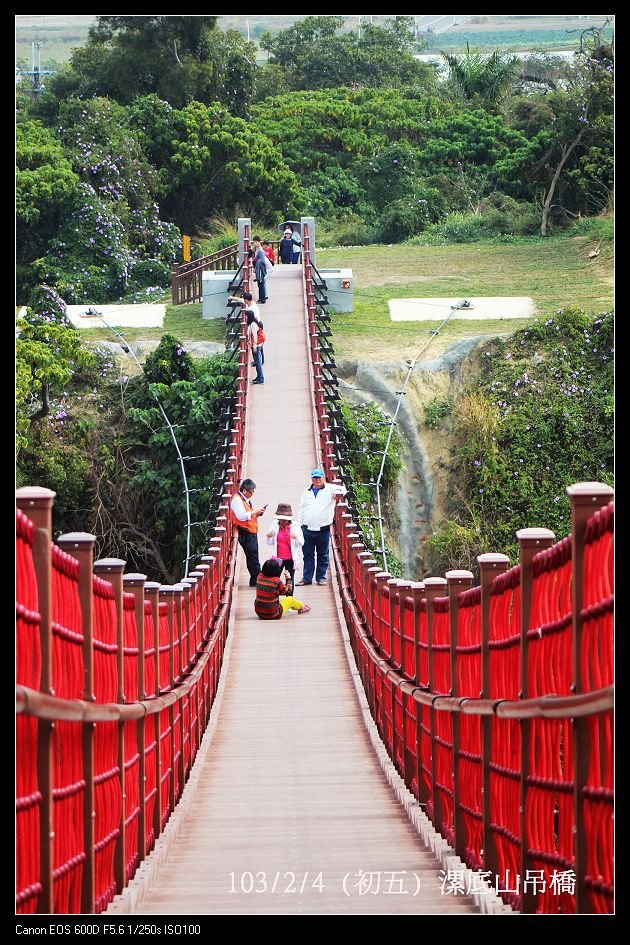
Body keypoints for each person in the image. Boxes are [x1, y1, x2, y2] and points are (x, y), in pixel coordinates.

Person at [297, 468, 347, 586]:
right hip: (307, 528)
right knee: (307, 555)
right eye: (315, 478)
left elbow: (343, 489)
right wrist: (299, 525)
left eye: (319, 477)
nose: (317, 480)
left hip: (323, 529)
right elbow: (301, 509)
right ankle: (307, 578)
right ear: (312, 479)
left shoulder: (330, 488)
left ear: (323, 478)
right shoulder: (306, 492)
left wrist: (337, 493)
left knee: (323, 554)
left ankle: (321, 577)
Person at [230, 478, 267, 587]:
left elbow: (247, 514)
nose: (252, 494)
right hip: (245, 532)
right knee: (252, 556)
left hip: (250, 530)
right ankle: (257, 579)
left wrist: (256, 513)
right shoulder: (237, 500)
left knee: (253, 556)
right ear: (245, 490)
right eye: (251, 492)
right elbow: (241, 516)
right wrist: (253, 512)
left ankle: (255, 579)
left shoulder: (244, 499)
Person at [265, 502, 304, 591]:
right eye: (280, 519)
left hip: (290, 558)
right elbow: (269, 543)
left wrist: (296, 537)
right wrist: (268, 536)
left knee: (290, 579)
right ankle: (275, 600)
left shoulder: (296, 526)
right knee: (275, 579)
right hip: (278, 559)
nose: (282, 521)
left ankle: (289, 600)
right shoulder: (275, 525)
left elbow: (301, 543)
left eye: (284, 519)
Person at [246, 309, 264, 384]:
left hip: (256, 345)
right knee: (257, 362)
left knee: (258, 362)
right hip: (256, 345)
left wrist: (254, 346)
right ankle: (259, 377)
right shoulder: (253, 323)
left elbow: (255, 335)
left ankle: (261, 378)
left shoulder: (253, 324)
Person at [251, 236, 268, 303]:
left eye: (256, 242)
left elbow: (263, 261)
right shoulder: (257, 249)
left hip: (261, 269)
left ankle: (262, 299)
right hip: (259, 269)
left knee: (261, 284)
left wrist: (256, 262)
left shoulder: (260, 250)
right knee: (260, 284)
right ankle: (261, 298)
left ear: (259, 242)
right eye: (254, 242)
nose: (255, 243)